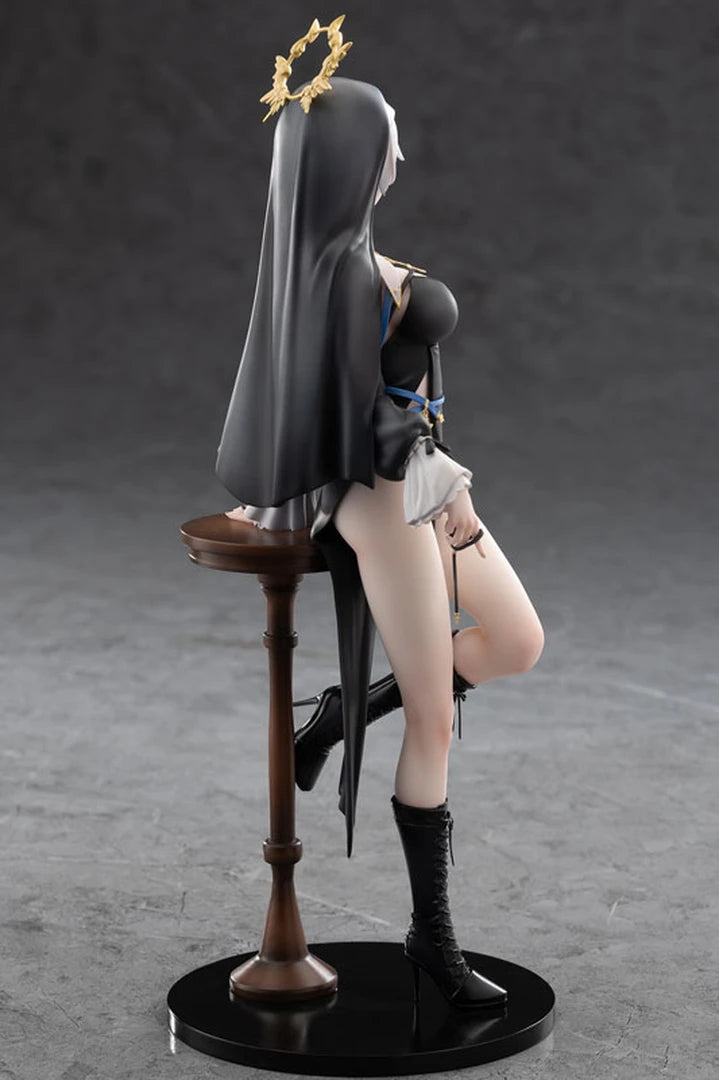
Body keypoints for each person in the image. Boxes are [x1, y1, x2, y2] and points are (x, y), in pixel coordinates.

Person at [216, 27, 543, 1010]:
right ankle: (429, 940)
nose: (400, 147)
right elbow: (350, 417)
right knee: (435, 716)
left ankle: (337, 714)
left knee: (515, 641)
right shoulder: (334, 281)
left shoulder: (353, 256)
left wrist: (446, 480)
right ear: (354, 155)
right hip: (385, 497)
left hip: (425, 480)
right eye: (387, 133)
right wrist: (445, 490)